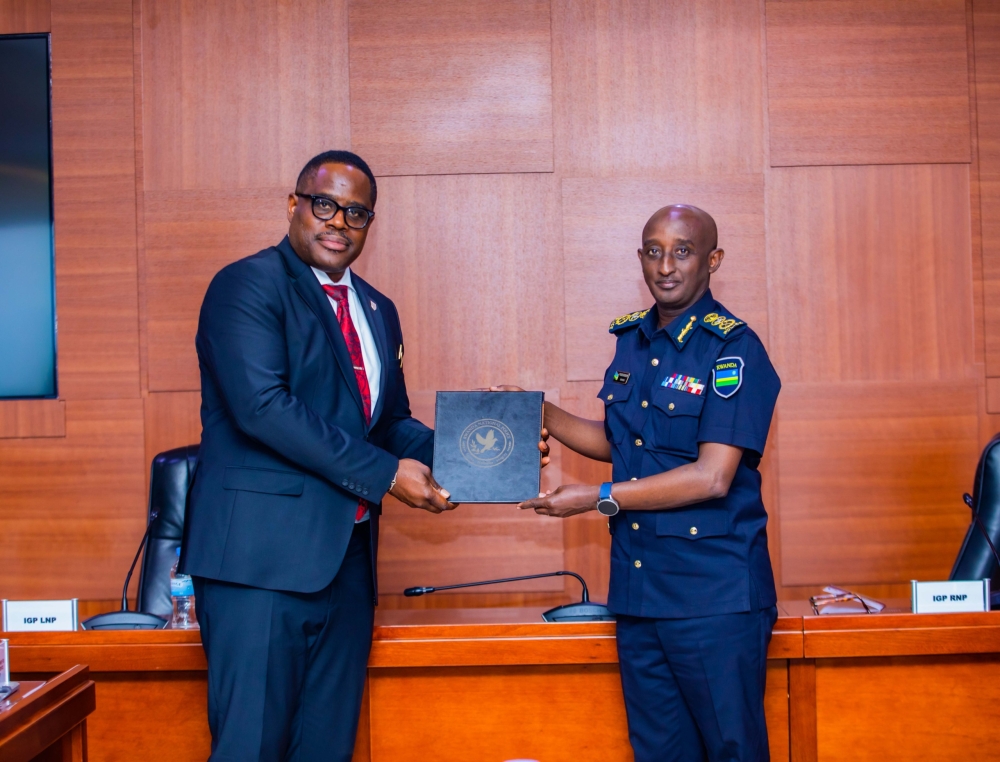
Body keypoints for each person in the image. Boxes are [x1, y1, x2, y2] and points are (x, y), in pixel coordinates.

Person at [181, 150, 455, 762]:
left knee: (326, 749)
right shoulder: (246, 284)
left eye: (356, 213)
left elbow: (388, 425)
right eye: (324, 204)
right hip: (259, 569)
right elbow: (262, 407)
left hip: (348, 566)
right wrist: (387, 476)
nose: (339, 222)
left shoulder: (378, 310)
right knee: (250, 749)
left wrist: (476, 455)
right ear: (294, 205)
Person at [505, 204, 780, 762]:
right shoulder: (631, 341)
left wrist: (596, 498)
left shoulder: (734, 349)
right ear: (640, 260)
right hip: (638, 596)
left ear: (713, 260)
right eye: (654, 251)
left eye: (683, 250)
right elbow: (626, 444)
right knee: (659, 753)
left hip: (713, 598)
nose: (666, 265)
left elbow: (712, 477)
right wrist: (535, 411)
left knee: (733, 751)